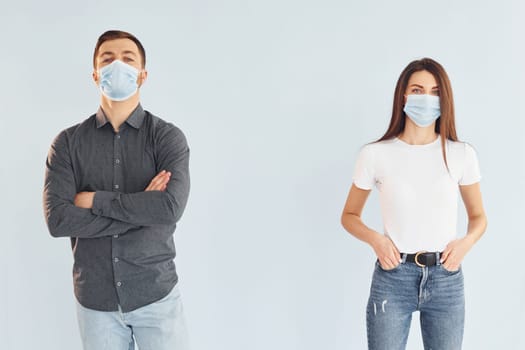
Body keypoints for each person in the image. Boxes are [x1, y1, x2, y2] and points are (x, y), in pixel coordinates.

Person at [43, 30, 190, 350]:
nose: (118, 66)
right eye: (107, 60)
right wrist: (142, 208)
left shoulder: (167, 138)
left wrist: (94, 200)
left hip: (156, 295)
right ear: (95, 75)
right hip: (96, 303)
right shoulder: (67, 144)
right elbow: (59, 221)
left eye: (128, 59)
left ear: (143, 75)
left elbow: (169, 208)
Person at [341, 58, 487, 350]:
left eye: (435, 91)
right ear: (403, 96)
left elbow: (479, 217)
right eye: (418, 90)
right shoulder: (375, 154)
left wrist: (466, 243)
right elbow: (349, 215)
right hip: (393, 279)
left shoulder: (461, 154)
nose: (427, 98)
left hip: (446, 278)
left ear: (444, 99)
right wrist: (377, 241)